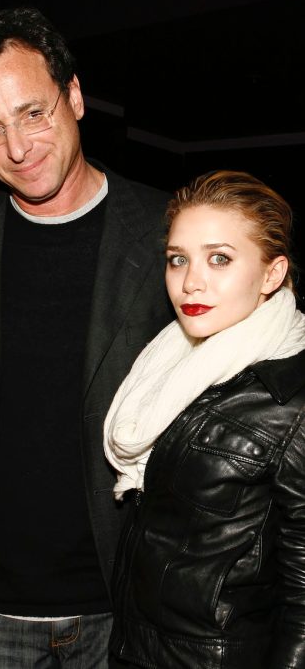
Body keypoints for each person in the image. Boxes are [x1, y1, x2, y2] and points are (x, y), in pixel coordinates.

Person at [0, 5, 174, 668]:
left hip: (123, 605)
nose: (17, 148)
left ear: (74, 97)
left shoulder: (169, 232)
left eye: (33, 113)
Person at [104, 170, 305, 668]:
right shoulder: (173, 365)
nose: (190, 282)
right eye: (178, 259)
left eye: (220, 258)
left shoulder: (291, 400)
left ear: (272, 274)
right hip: (134, 650)